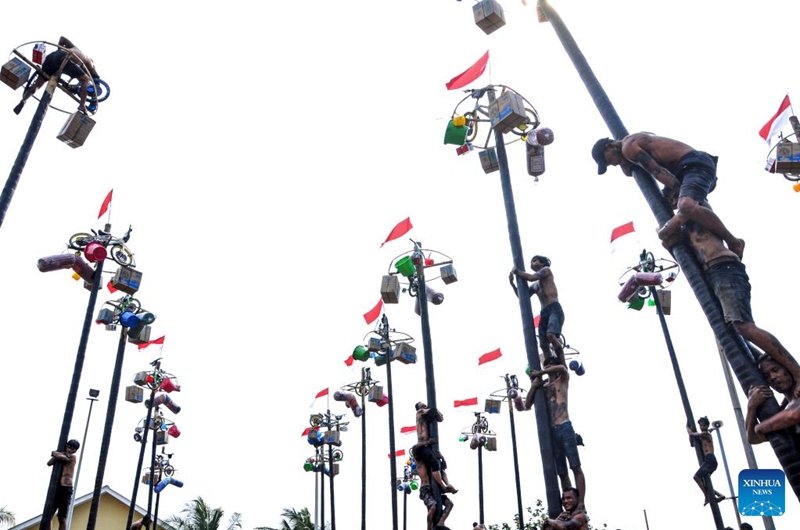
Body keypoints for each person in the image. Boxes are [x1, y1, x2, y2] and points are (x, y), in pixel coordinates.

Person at [591, 133, 744, 259]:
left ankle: (733, 241)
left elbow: (656, 171)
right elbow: (628, 171)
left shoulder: (628, 147)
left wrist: (678, 191)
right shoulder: (631, 143)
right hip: (683, 171)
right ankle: (676, 228)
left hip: (693, 165)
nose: (611, 164)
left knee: (686, 205)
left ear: (610, 146)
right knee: (666, 205)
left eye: (608, 160)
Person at [525, 357, 586, 509]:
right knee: (562, 471)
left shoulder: (562, 380)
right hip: (553, 431)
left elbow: (562, 368)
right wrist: (534, 384)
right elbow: (527, 404)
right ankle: (568, 503)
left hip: (564, 425)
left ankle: (581, 502)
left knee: (575, 466)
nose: (549, 369)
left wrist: (542, 371)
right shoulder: (544, 387)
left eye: (550, 366)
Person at [14, 36, 100, 115]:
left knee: (38, 84)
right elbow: (95, 77)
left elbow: (62, 39)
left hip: (50, 58)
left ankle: (23, 100)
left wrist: (59, 50)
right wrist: (94, 98)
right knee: (86, 80)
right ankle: (82, 106)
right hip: (64, 58)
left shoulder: (75, 49)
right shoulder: (89, 62)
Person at [510, 255, 566, 366]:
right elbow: (522, 296)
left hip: (554, 308)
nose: (532, 263)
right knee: (543, 344)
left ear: (542, 263)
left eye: (535, 260)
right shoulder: (536, 285)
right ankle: (550, 365)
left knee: (551, 335)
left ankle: (563, 363)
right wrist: (512, 284)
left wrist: (517, 271)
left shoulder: (546, 270)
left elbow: (530, 277)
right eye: (531, 261)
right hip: (544, 312)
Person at [746, 353, 800, 445]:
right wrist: (751, 407)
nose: (772, 377)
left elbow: (793, 415)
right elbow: (753, 439)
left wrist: (760, 427)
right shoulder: (783, 411)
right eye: (767, 376)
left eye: (775, 370)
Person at [687, 417, 725, 506]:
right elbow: (692, 443)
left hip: (710, 459)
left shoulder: (706, 434)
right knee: (705, 483)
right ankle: (720, 495)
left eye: (703, 425)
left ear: (707, 426)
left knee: (696, 477)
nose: (701, 427)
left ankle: (707, 496)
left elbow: (692, 434)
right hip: (709, 460)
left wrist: (687, 427)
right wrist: (690, 433)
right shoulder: (702, 437)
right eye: (700, 425)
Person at [47, 439, 80, 530]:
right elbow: (49, 463)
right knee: (48, 515)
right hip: (57, 488)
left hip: (66, 489)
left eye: (72, 448)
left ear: (75, 450)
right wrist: (56, 455)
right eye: (68, 447)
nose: (69, 449)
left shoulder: (72, 457)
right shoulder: (61, 455)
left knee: (62, 518)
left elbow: (63, 458)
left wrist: (54, 452)